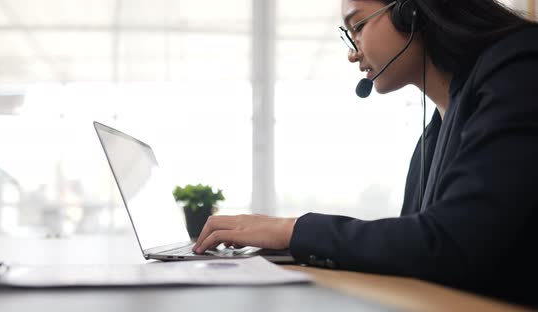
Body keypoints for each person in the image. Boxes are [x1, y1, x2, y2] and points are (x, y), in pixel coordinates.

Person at [193, 0, 538, 307]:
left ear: (411, 11)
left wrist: (292, 231)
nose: (352, 52)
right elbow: (415, 251)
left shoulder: (519, 64)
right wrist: (284, 247)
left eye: (357, 27)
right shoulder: (431, 138)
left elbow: (452, 244)